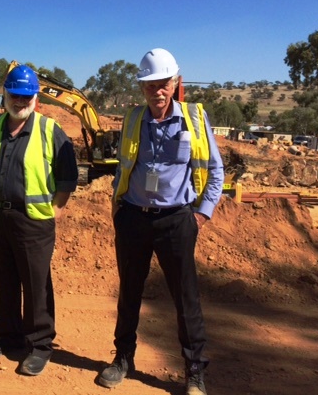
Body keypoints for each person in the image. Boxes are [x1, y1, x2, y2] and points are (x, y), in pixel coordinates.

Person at [97, 48, 224, 395]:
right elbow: (125, 166)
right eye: (150, 84)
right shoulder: (133, 119)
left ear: (176, 82)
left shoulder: (195, 119)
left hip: (177, 221)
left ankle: (194, 370)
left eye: (163, 83)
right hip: (134, 218)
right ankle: (123, 357)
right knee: (129, 292)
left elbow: (215, 171)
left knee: (186, 297)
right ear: (142, 88)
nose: (157, 91)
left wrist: (201, 214)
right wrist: (120, 209)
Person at [0, 64, 78, 376]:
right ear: (5, 94)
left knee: (36, 286)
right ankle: (9, 337)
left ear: (35, 97)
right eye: (15, 95)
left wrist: (55, 210)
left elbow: (67, 178)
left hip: (34, 222)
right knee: (4, 280)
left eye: (26, 96)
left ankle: (40, 345)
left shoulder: (49, 130)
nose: (20, 101)